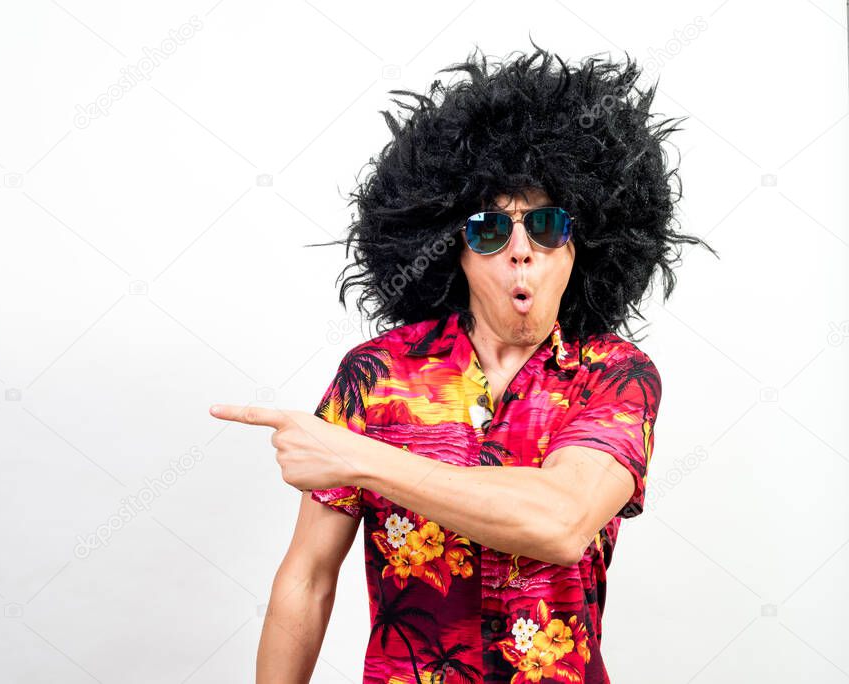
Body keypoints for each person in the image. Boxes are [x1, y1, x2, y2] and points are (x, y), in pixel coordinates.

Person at [211, 43, 716, 683]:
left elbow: (561, 520)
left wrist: (356, 457)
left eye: (547, 226)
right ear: (455, 249)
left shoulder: (614, 374)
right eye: (489, 230)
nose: (519, 252)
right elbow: (308, 578)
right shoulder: (374, 375)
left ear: (579, 248)